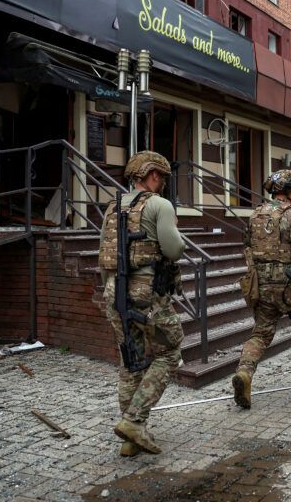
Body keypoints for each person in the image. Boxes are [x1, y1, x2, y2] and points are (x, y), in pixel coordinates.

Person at [98, 151, 185, 456]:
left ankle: (129, 440)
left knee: (130, 360)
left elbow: (103, 256)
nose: (161, 183)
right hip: (147, 291)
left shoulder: (112, 207)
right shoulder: (159, 204)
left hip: (114, 290)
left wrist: (112, 290)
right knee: (169, 352)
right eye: (161, 177)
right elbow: (174, 250)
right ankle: (134, 421)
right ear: (153, 176)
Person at [232, 170, 291, 409]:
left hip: (263, 286)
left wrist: (257, 277)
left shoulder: (255, 215)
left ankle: (244, 372)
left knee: (261, 334)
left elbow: (248, 251)